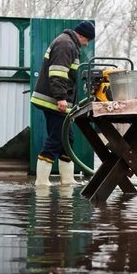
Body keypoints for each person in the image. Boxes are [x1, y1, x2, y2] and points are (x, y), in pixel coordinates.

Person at [30, 20, 95, 186]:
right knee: (57, 138)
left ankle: (67, 179)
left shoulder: (68, 43)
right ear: (82, 36)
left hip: (56, 100)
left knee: (68, 139)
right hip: (53, 100)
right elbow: (58, 73)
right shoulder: (66, 44)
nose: (87, 44)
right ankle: (42, 182)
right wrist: (61, 98)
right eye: (87, 40)